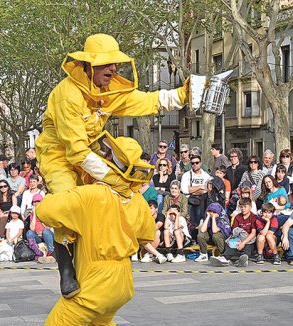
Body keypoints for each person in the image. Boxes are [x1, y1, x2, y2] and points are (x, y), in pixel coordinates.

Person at [34, 34, 191, 298]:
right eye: (107, 64)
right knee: (67, 203)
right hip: (58, 156)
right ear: (88, 66)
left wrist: (183, 94)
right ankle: (65, 269)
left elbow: (146, 101)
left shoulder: (109, 90)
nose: (114, 69)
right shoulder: (66, 94)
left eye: (115, 63)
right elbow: (75, 152)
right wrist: (112, 177)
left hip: (92, 153)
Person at [33, 135, 158, 326]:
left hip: (94, 281)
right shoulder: (136, 199)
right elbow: (147, 236)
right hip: (122, 280)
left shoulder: (91, 196)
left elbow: (45, 211)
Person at [210, 197, 258, 267]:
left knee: (247, 246)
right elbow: (235, 231)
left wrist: (243, 243)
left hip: (249, 239)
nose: (243, 209)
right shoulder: (238, 217)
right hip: (239, 238)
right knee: (232, 244)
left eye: (245, 207)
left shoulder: (254, 217)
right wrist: (235, 240)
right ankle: (224, 259)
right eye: (241, 207)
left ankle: (244, 259)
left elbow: (253, 234)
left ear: (250, 207)